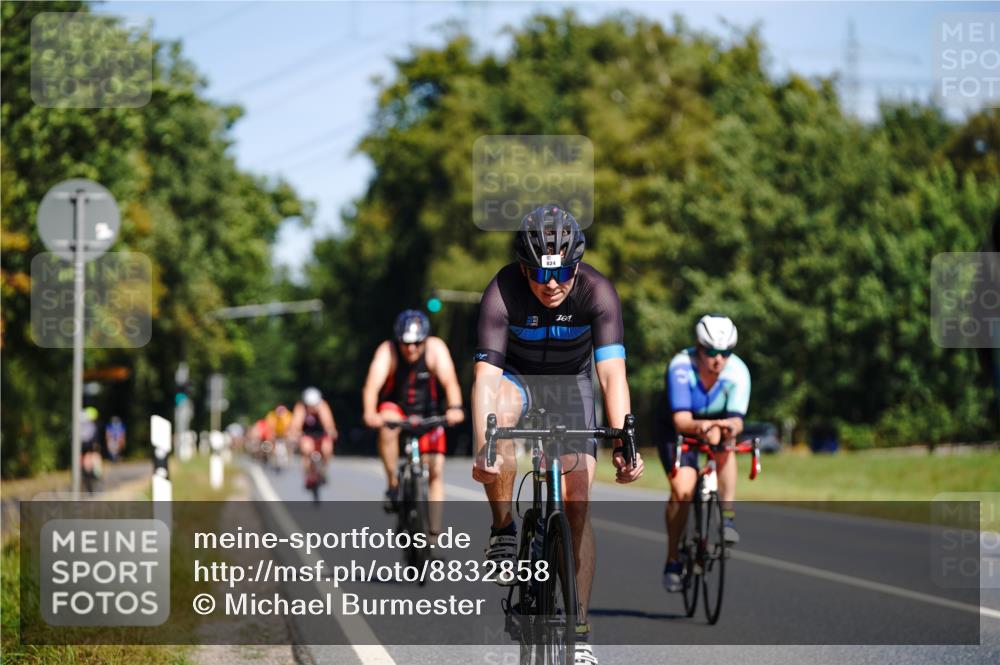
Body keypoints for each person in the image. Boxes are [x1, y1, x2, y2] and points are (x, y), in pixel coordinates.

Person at [471, 204, 644, 665]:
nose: (552, 284)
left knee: (579, 500)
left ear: (577, 265)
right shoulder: (503, 290)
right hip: (518, 379)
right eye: (539, 273)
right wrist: (482, 447)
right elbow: (485, 383)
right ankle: (504, 529)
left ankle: (580, 627)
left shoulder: (598, 291)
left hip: (573, 384)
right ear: (523, 266)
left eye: (563, 272)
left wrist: (626, 444)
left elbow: (612, 377)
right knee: (499, 420)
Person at [657, 314, 750, 593]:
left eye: (725, 352)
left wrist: (728, 427)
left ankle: (728, 515)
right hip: (679, 426)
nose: (718, 359)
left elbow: (738, 420)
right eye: (710, 352)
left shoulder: (738, 372)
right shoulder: (681, 367)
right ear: (698, 348)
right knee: (682, 490)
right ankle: (673, 559)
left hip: (715, 424)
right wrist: (704, 426)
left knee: (726, 446)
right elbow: (682, 421)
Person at [362, 309, 465, 534]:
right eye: (405, 343)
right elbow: (372, 386)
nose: (411, 348)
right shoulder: (387, 351)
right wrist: (370, 412)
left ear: (425, 339)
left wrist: (455, 408)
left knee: (436, 468)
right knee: (387, 421)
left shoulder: (436, 349)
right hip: (395, 409)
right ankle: (393, 484)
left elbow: (450, 382)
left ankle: (434, 533)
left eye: (417, 343)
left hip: (429, 411)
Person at [290, 387, 338, 483]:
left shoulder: (323, 406)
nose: (312, 408)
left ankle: (323, 470)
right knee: (306, 449)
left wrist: (331, 431)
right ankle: (307, 473)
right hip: (307, 434)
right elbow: (296, 424)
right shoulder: (301, 407)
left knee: (327, 449)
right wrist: (295, 434)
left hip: (321, 433)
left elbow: (328, 423)